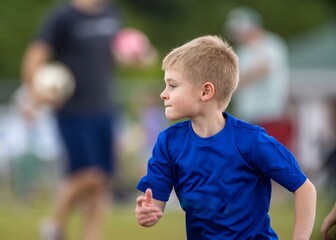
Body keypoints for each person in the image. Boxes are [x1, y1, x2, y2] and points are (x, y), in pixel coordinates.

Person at [134, 35, 316, 239]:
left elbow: (304, 189)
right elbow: (154, 205)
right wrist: (146, 212)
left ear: (206, 91)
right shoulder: (168, 143)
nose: (163, 94)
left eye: (173, 86)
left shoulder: (252, 141)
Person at [21, 0, 155, 239]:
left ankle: (91, 236)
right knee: (86, 174)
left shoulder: (113, 13)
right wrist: (33, 95)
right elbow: (36, 55)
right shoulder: (62, 16)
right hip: (72, 109)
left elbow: (118, 54)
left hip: (104, 107)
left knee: (102, 180)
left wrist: (138, 57)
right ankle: (54, 228)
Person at [225, 7, 293, 150]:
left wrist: (238, 81)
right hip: (248, 114)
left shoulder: (272, 44)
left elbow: (264, 69)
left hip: (270, 112)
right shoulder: (242, 51)